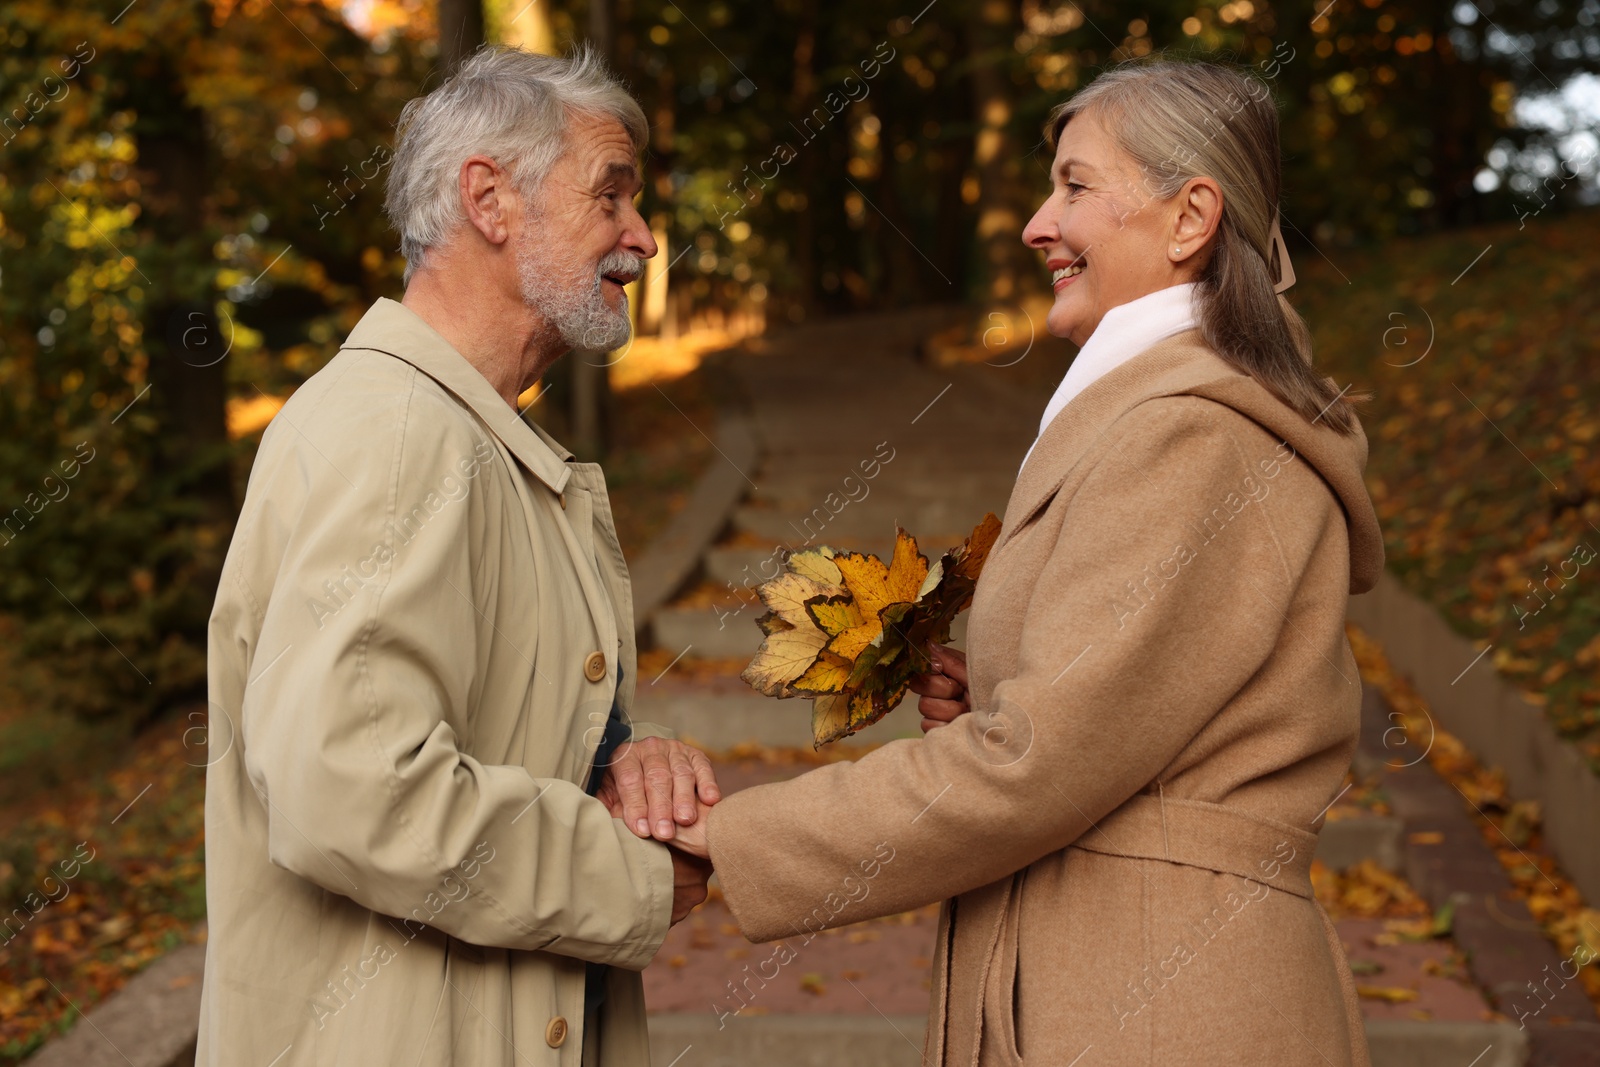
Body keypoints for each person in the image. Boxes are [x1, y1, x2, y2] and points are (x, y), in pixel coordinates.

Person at [651, 60, 1383, 1065]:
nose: (1039, 223)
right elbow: (1109, 723)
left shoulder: (1191, 439)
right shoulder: (1158, 416)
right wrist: (995, 694)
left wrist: (730, 840)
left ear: (1188, 218)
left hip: (1157, 1003)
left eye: (1075, 187)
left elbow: (1041, 762)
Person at [198, 47, 720, 1066]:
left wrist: (617, 762)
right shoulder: (399, 435)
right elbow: (353, 787)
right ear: (490, 198)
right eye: (609, 196)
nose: (643, 237)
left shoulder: (467, 437)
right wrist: (631, 876)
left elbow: (483, 729)